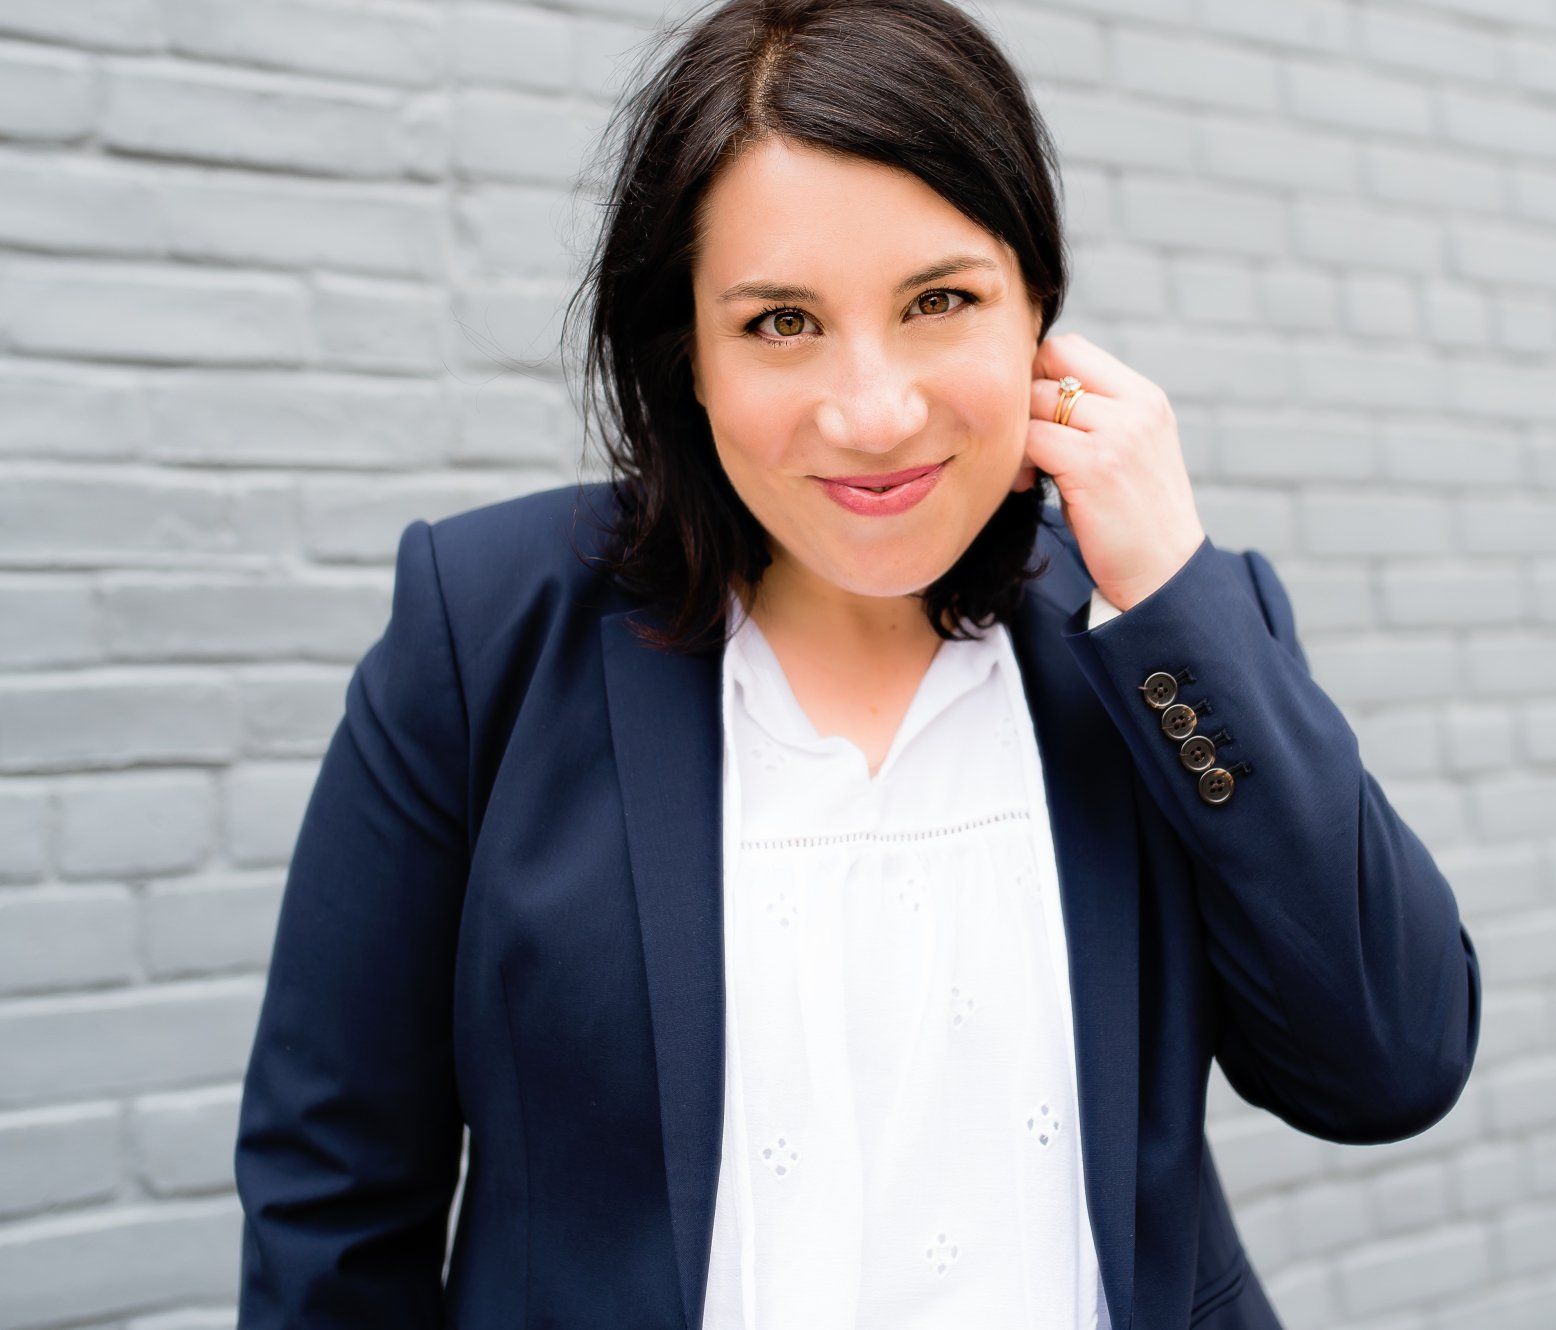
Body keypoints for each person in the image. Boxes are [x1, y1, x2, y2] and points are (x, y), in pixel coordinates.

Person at [232, 0, 1482, 1326]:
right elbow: (335, 1192)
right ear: (691, 356)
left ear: (1036, 313)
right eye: (782, 322)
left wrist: (1175, 590)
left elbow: (1389, 1063)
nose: (874, 413)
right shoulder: (486, 631)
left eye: (940, 300)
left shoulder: (1156, 651)